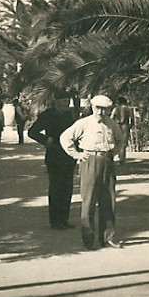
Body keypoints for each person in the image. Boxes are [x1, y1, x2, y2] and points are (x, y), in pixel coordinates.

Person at [60, 94, 125, 250]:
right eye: (97, 108)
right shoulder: (84, 123)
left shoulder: (111, 123)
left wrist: (114, 152)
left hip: (107, 161)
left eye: (104, 109)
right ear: (92, 107)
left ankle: (108, 237)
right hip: (90, 160)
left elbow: (120, 139)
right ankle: (88, 239)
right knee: (88, 201)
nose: (100, 112)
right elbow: (65, 138)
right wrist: (77, 154)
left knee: (108, 200)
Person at [28, 95, 78, 230]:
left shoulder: (71, 114)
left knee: (67, 187)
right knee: (56, 187)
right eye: (63, 99)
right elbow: (32, 132)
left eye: (67, 99)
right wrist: (45, 140)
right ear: (55, 100)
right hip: (55, 154)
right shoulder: (47, 114)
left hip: (69, 154)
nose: (66, 102)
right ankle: (55, 221)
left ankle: (64, 219)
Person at [112, 97, 134, 162]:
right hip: (125, 125)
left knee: (115, 141)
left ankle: (115, 157)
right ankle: (122, 158)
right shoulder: (128, 109)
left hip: (117, 125)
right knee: (123, 143)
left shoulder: (115, 108)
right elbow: (131, 118)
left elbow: (112, 117)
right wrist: (130, 126)